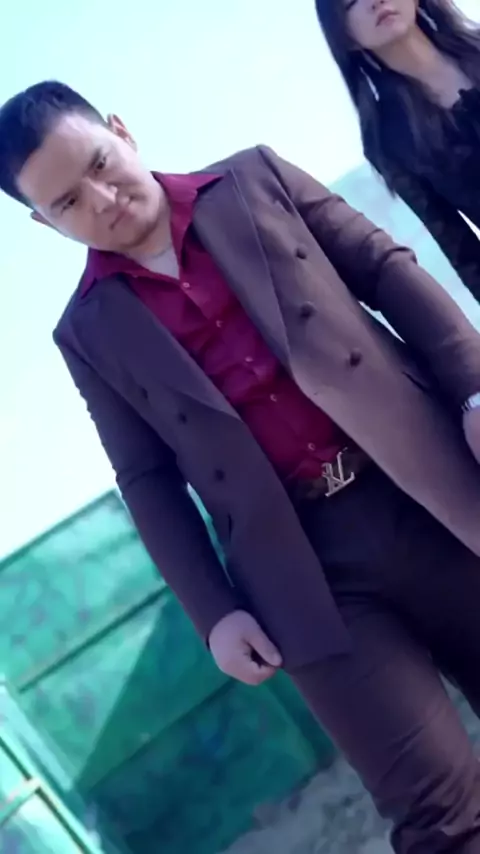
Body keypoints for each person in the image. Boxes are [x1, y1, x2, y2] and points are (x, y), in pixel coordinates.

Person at [4, 82, 480, 854]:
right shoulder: (87, 332)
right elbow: (146, 479)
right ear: (42, 222)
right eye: (67, 202)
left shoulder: (255, 178)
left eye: (98, 163)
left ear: (122, 130)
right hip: (308, 576)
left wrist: (473, 388)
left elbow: (385, 270)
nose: (102, 199)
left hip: (429, 486)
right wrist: (215, 614)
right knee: (439, 813)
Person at [315, 0, 480, 302]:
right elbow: (463, 251)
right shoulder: (388, 140)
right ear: (345, 37)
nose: (375, 2)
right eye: (351, 2)